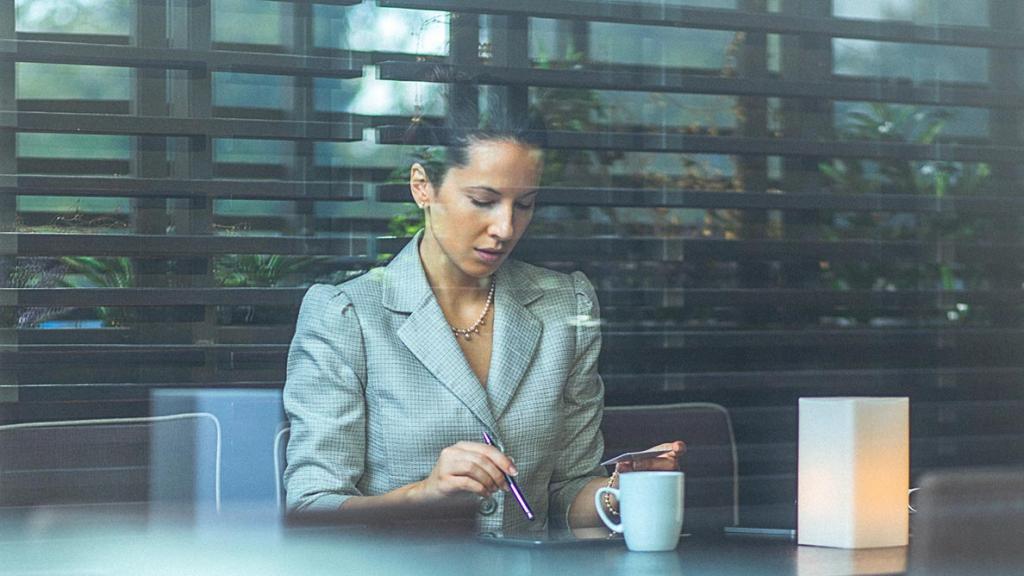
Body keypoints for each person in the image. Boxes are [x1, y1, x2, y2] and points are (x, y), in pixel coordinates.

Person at [283, 103, 684, 533]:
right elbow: (312, 509)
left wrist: (620, 492)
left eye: (525, 204)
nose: (506, 227)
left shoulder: (564, 306)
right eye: (483, 201)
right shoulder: (348, 316)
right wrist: (425, 496)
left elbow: (568, 488)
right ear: (423, 187)